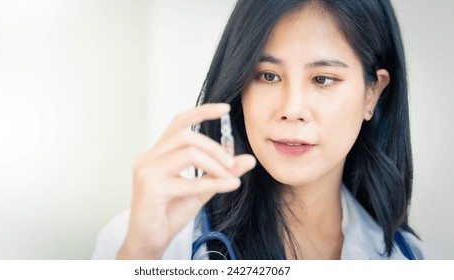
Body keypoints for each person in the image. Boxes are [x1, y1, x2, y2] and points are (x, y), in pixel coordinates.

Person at [93, 0, 427, 260]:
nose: (292, 110)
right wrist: (140, 256)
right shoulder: (145, 245)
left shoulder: (411, 260)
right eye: (267, 76)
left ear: (373, 93)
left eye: (323, 79)